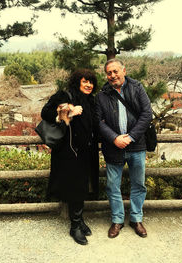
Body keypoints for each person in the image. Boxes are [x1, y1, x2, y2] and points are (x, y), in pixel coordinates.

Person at [40, 69, 99, 245]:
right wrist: (67, 114)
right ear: (77, 82)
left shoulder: (91, 100)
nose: (89, 85)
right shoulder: (65, 96)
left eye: (91, 82)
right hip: (69, 152)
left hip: (87, 151)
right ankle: (75, 225)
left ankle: (79, 220)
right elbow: (45, 113)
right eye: (85, 81)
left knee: (84, 185)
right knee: (75, 186)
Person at [95, 59, 152, 238]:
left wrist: (132, 136)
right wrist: (114, 138)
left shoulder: (137, 88)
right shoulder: (102, 95)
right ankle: (117, 220)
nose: (112, 75)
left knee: (138, 184)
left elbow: (146, 113)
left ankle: (136, 218)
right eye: (109, 73)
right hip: (113, 147)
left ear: (123, 71)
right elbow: (98, 121)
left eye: (115, 71)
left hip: (137, 145)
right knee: (113, 186)